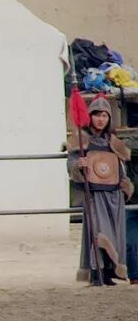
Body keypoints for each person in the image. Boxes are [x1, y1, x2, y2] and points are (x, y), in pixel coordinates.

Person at [68, 95, 131, 285]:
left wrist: (125, 187)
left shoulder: (114, 142)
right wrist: (78, 165)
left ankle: (110, 272)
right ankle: (97, 272)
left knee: (114, 233)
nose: (101, 119)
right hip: (94, 194)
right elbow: (71, 164)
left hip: (114, 194)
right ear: (90, 116)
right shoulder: (82, 140)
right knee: (98, 231)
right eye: (97, 115)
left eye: (105, 115)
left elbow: (122, 168)